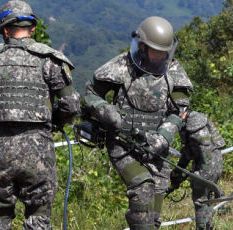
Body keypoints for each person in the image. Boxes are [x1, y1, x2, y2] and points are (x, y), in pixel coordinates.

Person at [83, 16, 193, 229]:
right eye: (155, 51)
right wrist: (107, 112)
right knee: (143, 188)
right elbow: (90, 94)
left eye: (164, 52)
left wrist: (162, 138)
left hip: (157, 148)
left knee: (153, 213)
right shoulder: (121, 67)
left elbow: (179, 112)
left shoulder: (173, 73)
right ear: (142, 46)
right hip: (123, 145)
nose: (160, 57)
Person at [0, 1, 80, 229]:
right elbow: (71, 105)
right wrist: (54, 123)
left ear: (4, 29)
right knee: (38, 217)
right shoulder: (50, 61)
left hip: (0, 150)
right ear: (32, 28)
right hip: (39, 150)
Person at [169, 110, 225, 230]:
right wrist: (178, 171)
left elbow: (206, 152)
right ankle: (208, 226)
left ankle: (202, 227)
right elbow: (189, 151)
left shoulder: (195, 123)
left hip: (209, 163)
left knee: (200, 199)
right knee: (206, 198)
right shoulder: (187, 123)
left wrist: (202, 175)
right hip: (207, 162)